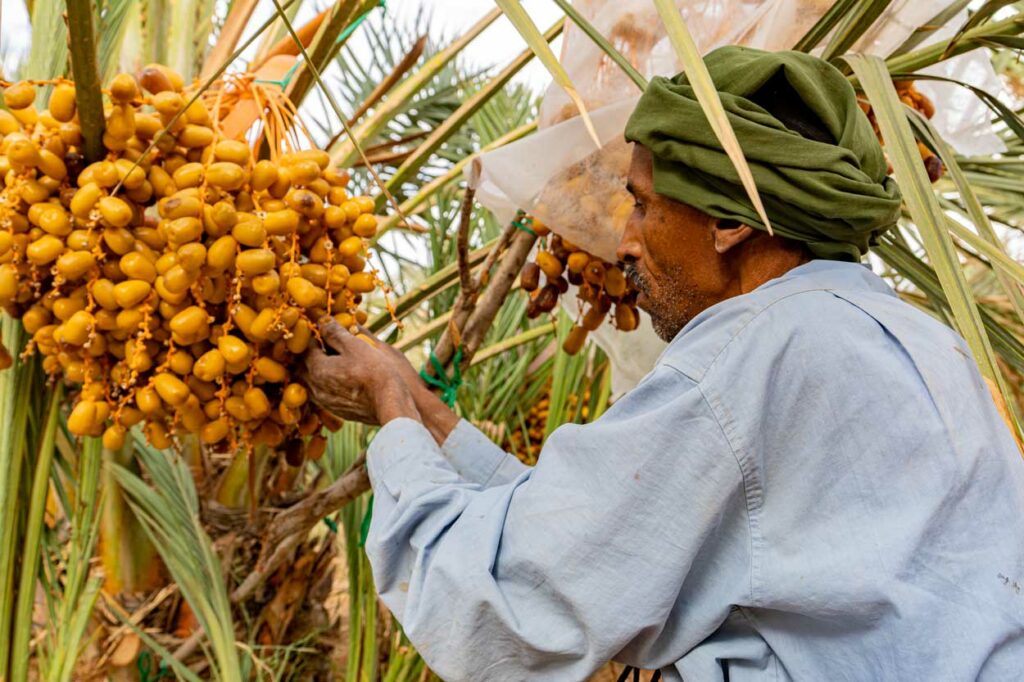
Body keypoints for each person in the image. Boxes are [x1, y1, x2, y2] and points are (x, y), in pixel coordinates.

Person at [304, 46, 1024, 681]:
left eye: (644, 207)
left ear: (729, 222)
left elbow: (511, 611)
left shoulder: (753, 349)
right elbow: (604, 523)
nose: (624, 244)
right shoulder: (916, 339)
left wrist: (393, 417)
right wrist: (417, 406)